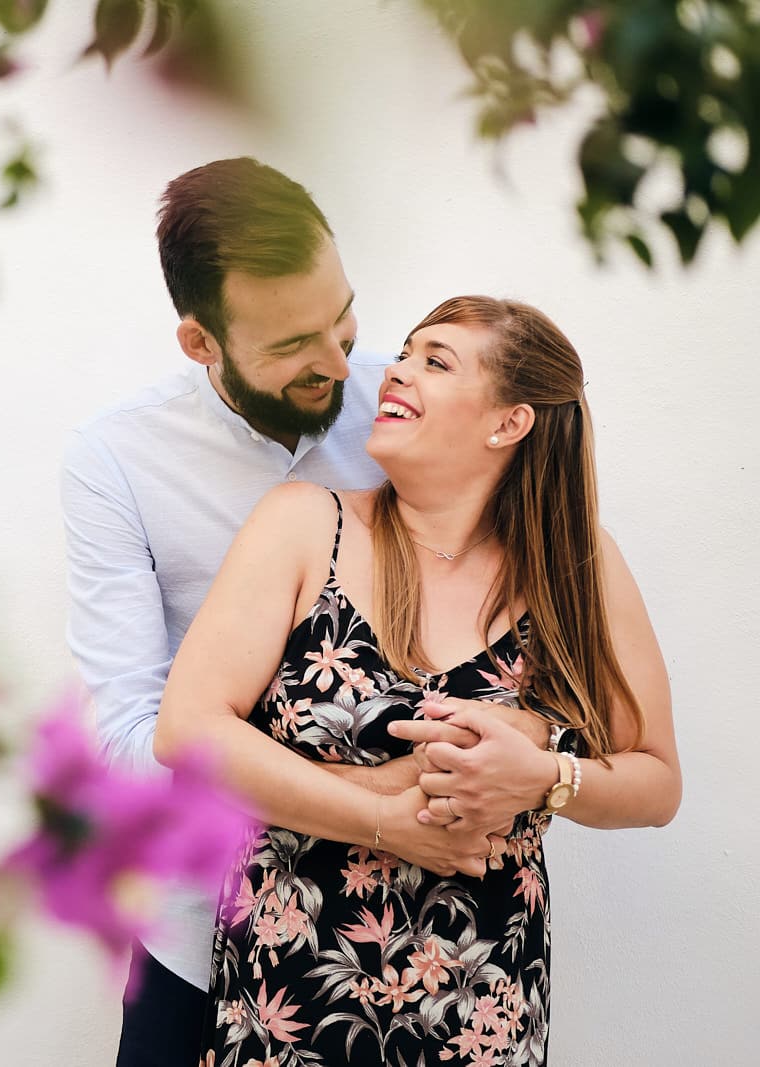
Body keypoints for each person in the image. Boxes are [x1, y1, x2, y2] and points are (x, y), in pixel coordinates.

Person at [63, 158, 556, 1066]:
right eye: (295, 343)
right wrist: (372, 794)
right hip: (199, 934)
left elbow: (525, 604)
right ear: (201, 343)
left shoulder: (410, 406)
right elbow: (131, 736)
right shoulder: (116, 463)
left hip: (430, 947)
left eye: (343, 316)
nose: (341, 361)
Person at [154, 296, 681, 1065]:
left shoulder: (577, 565)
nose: (397, 371)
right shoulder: (306, 524)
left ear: (509, 422)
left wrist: (544, 777)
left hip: (482, 1004)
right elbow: (190, 730)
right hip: (292, 998)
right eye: (405, 352)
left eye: (436, 361)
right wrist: (384, 819)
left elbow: (656, 780)